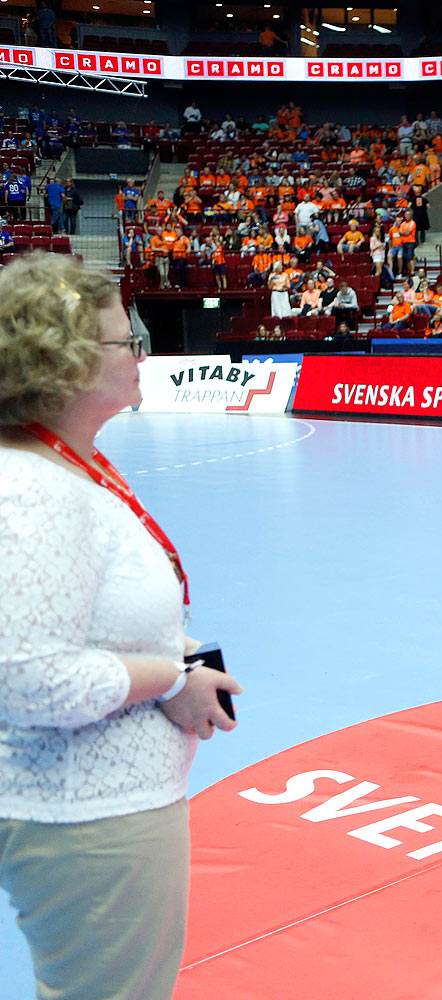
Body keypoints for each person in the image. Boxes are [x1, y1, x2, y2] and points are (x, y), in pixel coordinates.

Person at [0, 253, 242, 999]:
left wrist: (183, 656)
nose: (140, 353)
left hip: (102, 807)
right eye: (122, 341)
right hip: (88, 818)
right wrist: (171, 679)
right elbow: (29, 681)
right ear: (64, 361)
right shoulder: (34, 491)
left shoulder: (73, 465)